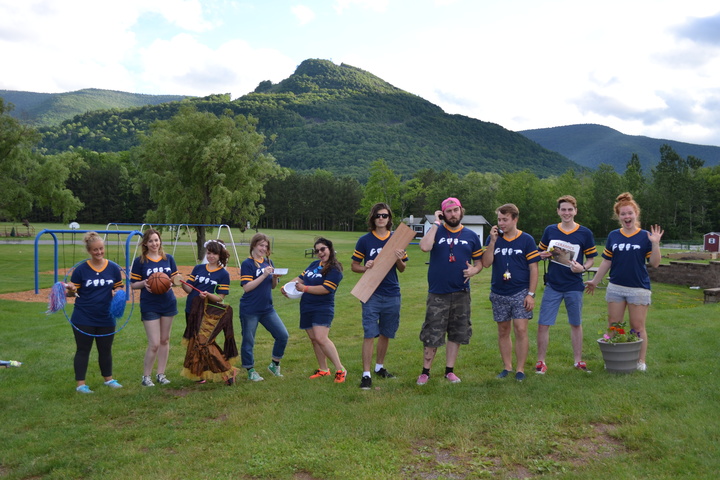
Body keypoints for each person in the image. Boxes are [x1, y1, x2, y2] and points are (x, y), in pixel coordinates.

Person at [585, 192, 663, 372]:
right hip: (616, 287)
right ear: (618, 216)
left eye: (630, 213)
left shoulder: (645, 236)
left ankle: (640, 361)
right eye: (623, 214)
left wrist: (655, 243)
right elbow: (607, 261)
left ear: (636, 214)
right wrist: (595, 281)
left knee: (637, 326)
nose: (627, 217)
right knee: (614, 324)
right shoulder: (614, 235)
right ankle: (613, 359)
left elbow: (655, 263)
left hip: (638, 288)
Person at [417, 197, 483, 385]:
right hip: (438, 292)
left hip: (461, 292)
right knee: (432, 332)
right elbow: (424, 247)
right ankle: (425, 372)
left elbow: (479, 263)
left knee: (457, 333)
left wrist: (474, 270)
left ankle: (449, 371)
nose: (453, 214)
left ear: (461, 211)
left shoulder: (471, 236)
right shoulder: (436, 231)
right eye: (448, 211)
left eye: (456, 210)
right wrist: (435, 224)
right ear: (443, 214)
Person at [536, 195, 598, 374]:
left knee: (576, 324)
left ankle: (578, 361)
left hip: (574, 285)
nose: (566, 213)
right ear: (558, 211)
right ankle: (541, 362)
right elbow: (540, 252)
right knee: (543, 324)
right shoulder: (550, 230)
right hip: (553, 285)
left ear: (575, 211)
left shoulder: (585, 233)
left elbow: (591, 259)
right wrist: (543, 255)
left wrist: (583, 268)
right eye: (563, 209)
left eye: (570, 209)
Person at [351, 203, 408, 390]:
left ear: (389, 218)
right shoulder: (365, 240)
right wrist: (365, 267)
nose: (381, 218)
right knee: (369, 333)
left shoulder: (397, 239)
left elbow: (402, 268)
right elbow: (354, 266)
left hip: (392, 293)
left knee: (386, 332)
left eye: (384, 215)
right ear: (373, 218)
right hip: (371, 293)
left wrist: (398, 258)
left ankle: (379, 367)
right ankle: (366, 374)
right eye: (378, 215)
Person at [483, 203, 540, 382]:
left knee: (521, 329)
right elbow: (486, 263)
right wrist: (492, 242)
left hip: (520, 291)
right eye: (499, 219)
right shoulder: (493, 238)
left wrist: (531, 294)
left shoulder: (526, 239)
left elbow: (534, 268)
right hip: (499, 292)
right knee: (503, 330)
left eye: (505, 220)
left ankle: (520, 369)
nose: (501, 223)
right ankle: (507, 367)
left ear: (515, 219)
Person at [282, 237, 347, 383]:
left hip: (322, 307)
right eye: (317, 251)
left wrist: (305, 288)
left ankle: (340, 369)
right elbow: (300, 278)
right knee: (314, 339)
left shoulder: (335, 269)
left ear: (330, 249)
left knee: (321, 338)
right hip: (307, 306)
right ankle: (323, 369)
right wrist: (286, 287)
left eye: (323, 249)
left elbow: (326, 289)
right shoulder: (314, 264)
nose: (320, 253)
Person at [67, 232, 124, 393]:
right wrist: (71, 289)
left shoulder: (113, 268)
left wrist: (118, 293)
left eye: (101, 249)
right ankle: (81, 385)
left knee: (105, 349)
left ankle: (109, 379)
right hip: (83, 316)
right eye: (95, 250)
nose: (99, 252)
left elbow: (119, 287)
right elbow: (72, 294)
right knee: (83, 350)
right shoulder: (81, 270)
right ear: (89, 251)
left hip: (106, 316)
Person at [180, 239, 237, 384]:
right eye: (209, 253)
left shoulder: (223, 274)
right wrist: (181, 283)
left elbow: (220, 298)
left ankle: (228, 371)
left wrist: (208, 295)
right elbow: (189, 289)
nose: (211, 256)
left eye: (214, 254)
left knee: (205, 343)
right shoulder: (198, 268)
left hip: (208, 314)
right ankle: (200, 373)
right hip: (192, 310)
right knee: (195, 343)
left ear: (220, 255)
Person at [131, 228, 179, 387]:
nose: (154, 243)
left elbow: (175, 279)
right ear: (145, 243)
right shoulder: (140, 261)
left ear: (160, 241)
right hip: (149, 304)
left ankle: (161, 374)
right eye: (150, 241)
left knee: (165, 340)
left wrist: (172, 282)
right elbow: (133, 284)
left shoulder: (168, 259)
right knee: (154, 343)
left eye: (156, 240)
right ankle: (146, 377)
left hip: (168, 302)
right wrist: (144, 283)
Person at [239, 233, 289, 382]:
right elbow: (247, 287)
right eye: (261, 245)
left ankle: (274, 364)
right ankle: (250, 370)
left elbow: (272, 286)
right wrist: (263, 275)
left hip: (267, 308)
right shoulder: (247, 264)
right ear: (254, 245)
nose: (264, 248)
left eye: (266, 246)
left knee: (282, 335)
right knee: (248, 340)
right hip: (250, 309)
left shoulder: (268, 262)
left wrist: (274, 278)